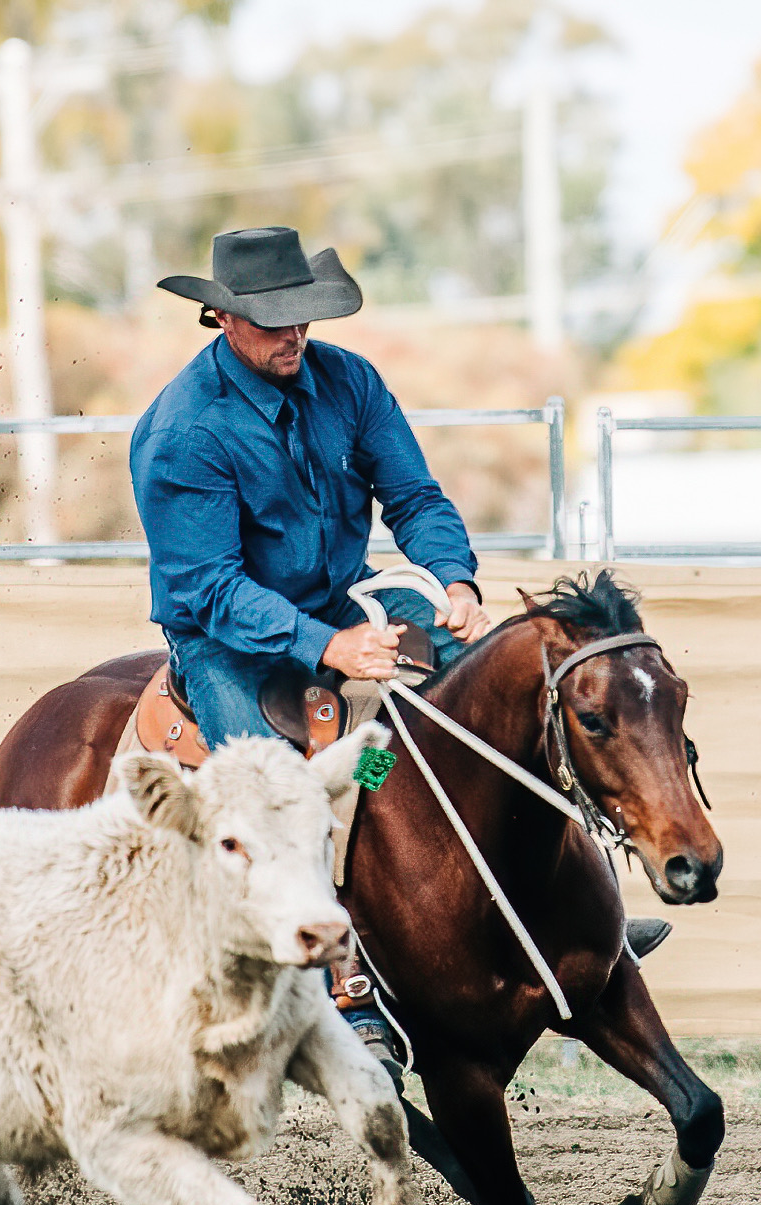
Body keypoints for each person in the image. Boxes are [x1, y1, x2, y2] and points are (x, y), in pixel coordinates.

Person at [129, 226, 494, 1065]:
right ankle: (340, 986)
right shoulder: (183, 431)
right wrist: (333, 648)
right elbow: (210, 588)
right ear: (222, 318)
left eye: (303, 315)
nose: (294, 333)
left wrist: (455, 583)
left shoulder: (349, 381)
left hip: (345, 598)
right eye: (273, 320)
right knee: (274, 790)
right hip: (226, 642)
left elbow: (414, 496)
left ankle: (551, 903)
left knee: (488, 681)